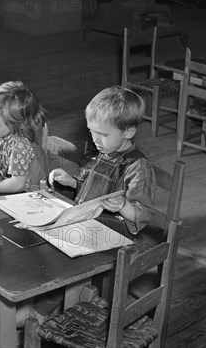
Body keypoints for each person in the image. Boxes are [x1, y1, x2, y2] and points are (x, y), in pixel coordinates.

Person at [48, 86, 156, 238]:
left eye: (103, 134)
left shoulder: (137, 166)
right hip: (87, 224)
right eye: (91, 131)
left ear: (128, 132)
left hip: (113, 233)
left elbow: (144, 214)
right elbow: (96, 191)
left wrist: (123, 205)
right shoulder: (102, 151)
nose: (95, 140)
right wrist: (73, 183)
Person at [0, 81, 49, 193]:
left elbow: (17, 184)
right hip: (3, 185)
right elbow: (0, 159)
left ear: (17, 125)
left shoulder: (20, 144)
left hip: (27, 196)